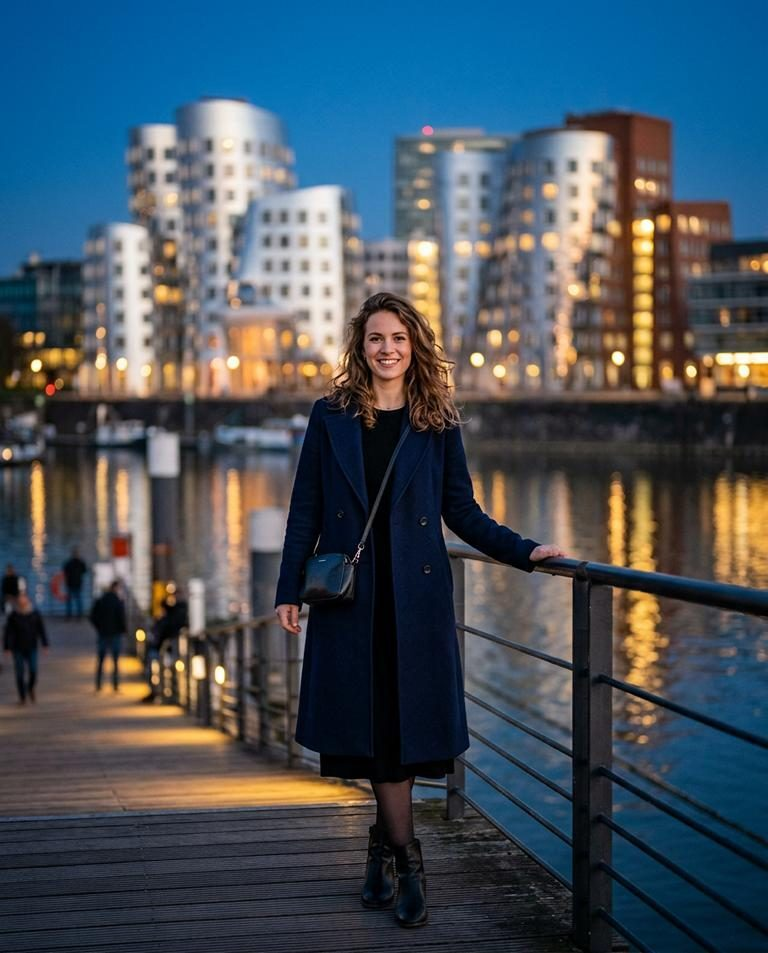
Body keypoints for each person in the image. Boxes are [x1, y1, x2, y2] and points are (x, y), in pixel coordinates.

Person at [275, 292, 566, 928]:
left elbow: (461, 512)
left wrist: (525, 552)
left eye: (399, 338)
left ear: (415, 347)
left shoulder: (436, 420)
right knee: (374, 732)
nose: (388, 349)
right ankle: (406, 856)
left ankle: (391, 853)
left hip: (415, 601)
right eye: (377, 338)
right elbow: (306, 509)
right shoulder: (330, 416)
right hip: (352, 604)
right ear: (361, 346)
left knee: (400, 739)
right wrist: (286, 589)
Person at [140, 587, 188, 703]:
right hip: (161, 646)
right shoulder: (170, 611)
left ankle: (169, 694)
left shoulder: (179, 610)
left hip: (169, 646)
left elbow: (174, 621)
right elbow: (163, 604)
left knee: (169, 668)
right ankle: (161, 692)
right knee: (154, 667)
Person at [3, 592, 48, 704]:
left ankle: (30, 687)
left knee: (33, 670)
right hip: (17, 648)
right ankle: (22, 697)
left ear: (28, 600)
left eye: (24, 598)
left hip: (32, 647)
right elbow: (7, 632)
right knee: (19, 673)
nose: (22, 601)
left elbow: (41, 630)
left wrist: (45, 644)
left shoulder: (35, 614)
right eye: (20, 599)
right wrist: (7, 647)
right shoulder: (13, 615)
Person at [89, 580, 126, 692]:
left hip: (103, 633)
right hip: (115, 634)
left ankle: (98, 685)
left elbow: (92, 616)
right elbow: (121, 618)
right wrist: (122, 630)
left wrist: (99, 627)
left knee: (101, 660)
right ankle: (115, 685)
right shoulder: (118, 601)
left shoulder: (101, 600)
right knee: (115, 661)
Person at [63, 547, 88, 618]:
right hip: (76, 584)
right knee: (77, 601)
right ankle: (78, 615)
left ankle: (71, 615)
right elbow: (84, 571)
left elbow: (65, 571)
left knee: (72, 601)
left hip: (72, 584)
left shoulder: (69, 563)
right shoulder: (80, 563)